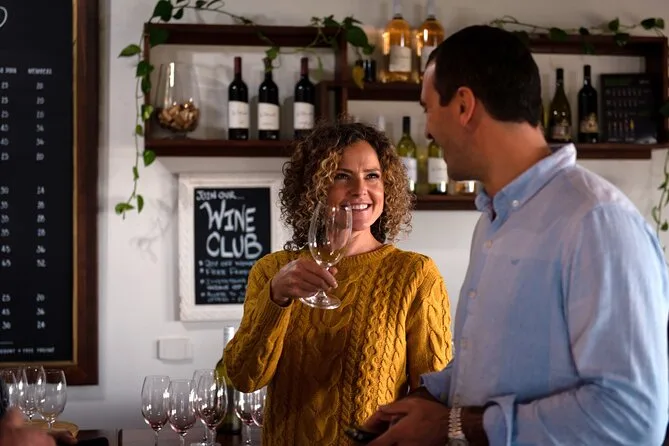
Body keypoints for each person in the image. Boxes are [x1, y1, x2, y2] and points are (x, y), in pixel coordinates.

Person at [363, 25, 669, 446]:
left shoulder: (598, 222)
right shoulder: (492, 221)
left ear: (464, 105)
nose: (428, 129)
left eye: (428, 108)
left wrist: (453, 426)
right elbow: (493, 368)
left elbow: (631, 418)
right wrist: (426, 398)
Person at [223, 119, 453, 445]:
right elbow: (244, 379)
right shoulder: (272, 270)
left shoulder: (415, 275)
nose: (360, 190)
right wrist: (276, 297)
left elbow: (433, 401)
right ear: (315, 187)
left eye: (372, 175)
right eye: (342, 176)